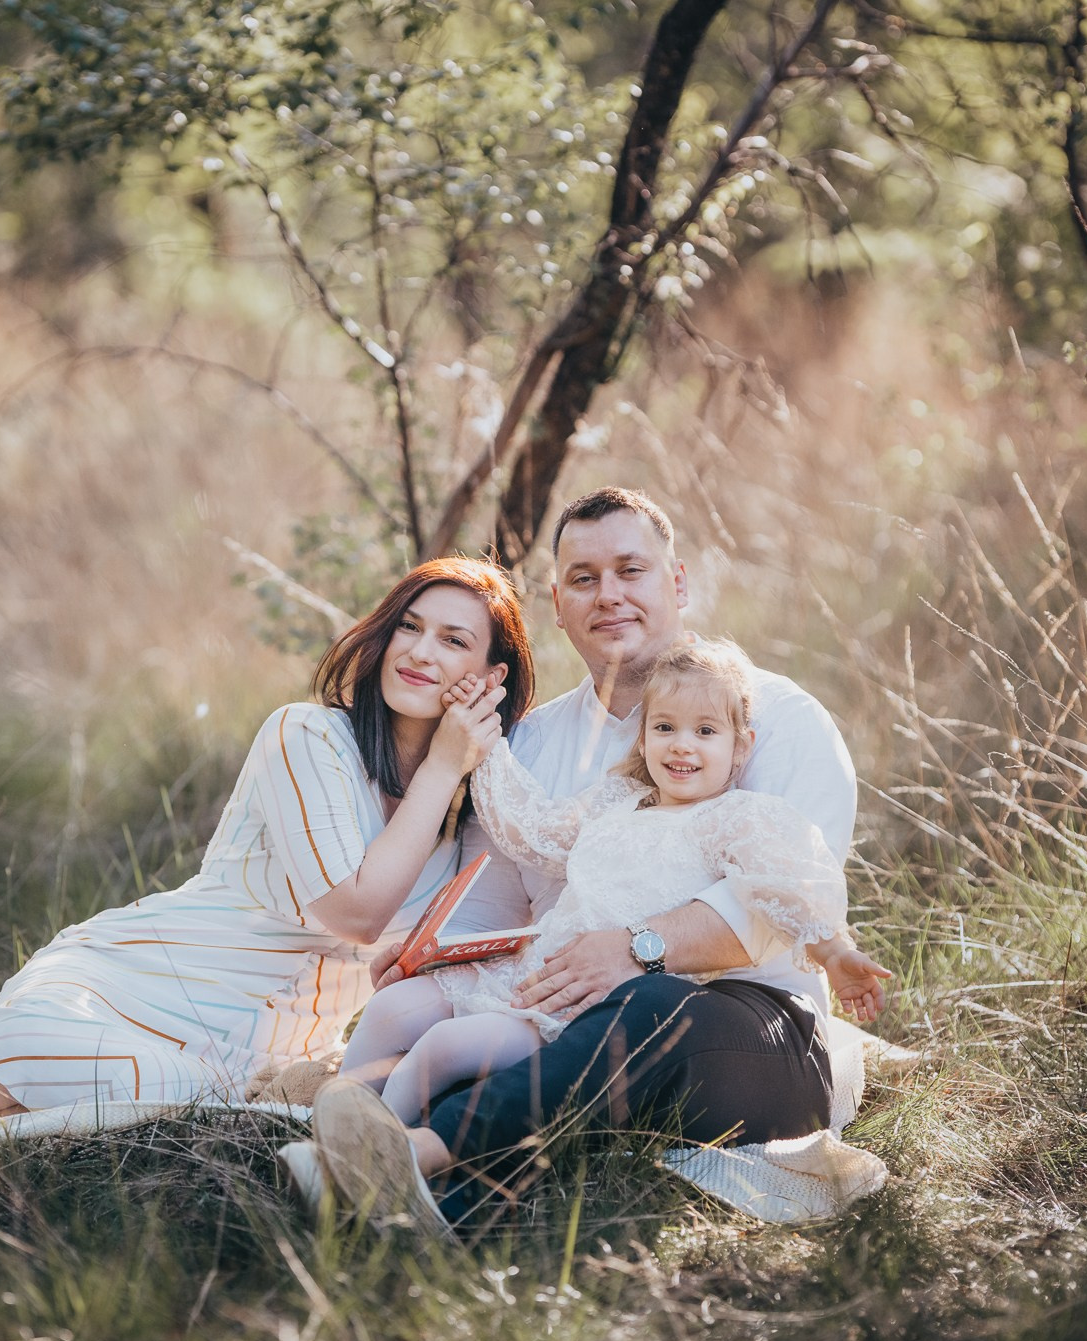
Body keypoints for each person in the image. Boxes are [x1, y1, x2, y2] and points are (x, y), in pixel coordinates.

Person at [0, 558, 535, 1164]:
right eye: (410, 626)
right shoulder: (307, 736)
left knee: (177, 1098)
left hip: (259, 1052)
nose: (421, 651)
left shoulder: (465, 833)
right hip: (142, 978)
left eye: (456, 641)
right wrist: (446, 768)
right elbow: (352, 914)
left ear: (494, 678)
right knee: (97, 1063)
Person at [292, 487, 890, 1232]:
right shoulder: (537, 744)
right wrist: (434, 956)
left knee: (643, 1003)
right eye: (584, 578)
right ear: (557, 600)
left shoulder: (774, 718)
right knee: (465, 1032)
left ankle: (412, 1156)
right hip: (565, 1020)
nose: (609, 595)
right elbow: (496, 894)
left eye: (630, 570)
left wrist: (641, 948)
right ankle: (389, 1192)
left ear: (676, 581)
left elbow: (782, 900)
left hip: (748, 1033)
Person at [342, 639, 871, 1128]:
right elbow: (534, 831)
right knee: (393, 1009)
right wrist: (485, 744)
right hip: (539, 967)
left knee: (444, 1048)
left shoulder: (735, 819)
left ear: (740, 746)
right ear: (644, 738)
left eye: (705, 731)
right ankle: (333, 1126)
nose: (682, 746)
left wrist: (836, 954)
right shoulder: (619, 800)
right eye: (665, 728)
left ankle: (379, 1157)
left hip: (595, 1003)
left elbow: (785, 883)